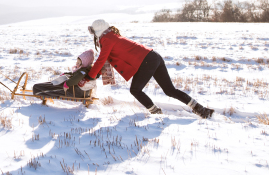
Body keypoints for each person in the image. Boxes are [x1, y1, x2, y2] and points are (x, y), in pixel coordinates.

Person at [85, 19, 214, 118]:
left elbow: (101, 59)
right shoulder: (111, 36)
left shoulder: (108, 39)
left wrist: (90, 76)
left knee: (135, 90)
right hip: (154, 57)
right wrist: (95, 73)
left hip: (147, 61)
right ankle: (201, 109)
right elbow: (105, 60)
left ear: (97, 31)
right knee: (170, 90)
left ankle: (156, 113)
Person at [33, 50, 98, 100]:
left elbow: (77, 78)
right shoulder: (84, 70)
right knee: (52, 85)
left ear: (85, 63)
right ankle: (38, 88)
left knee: (40, 87)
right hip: (76, 91)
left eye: (78, 63)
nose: (76, 64)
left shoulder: (83, 72)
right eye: (76, 62)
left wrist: (67, 83)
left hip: (74, 92)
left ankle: (37, 90)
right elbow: (75, 75)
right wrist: (67, 74)